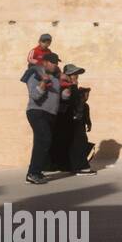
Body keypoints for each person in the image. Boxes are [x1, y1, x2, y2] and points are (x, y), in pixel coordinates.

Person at [25, 52, 68, 184]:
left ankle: (36, 171)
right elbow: (35, 95)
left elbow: (63, 97)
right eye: (53, 62)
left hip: (50, 114)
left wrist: (68, 88)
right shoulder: (35, 74)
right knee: (44, 138)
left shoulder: (55, 78)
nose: (55, 65)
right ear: (44, 62)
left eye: (56, 63)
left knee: (43, 141)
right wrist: (44, 81)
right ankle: (33, 173)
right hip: (37, 112)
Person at [51, 63, 95, 175]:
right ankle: (81, 167)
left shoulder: (70, 85)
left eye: (77, 74)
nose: (76, 76)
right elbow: (66, 101)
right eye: (74, 74)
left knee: (72, 142)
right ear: (68, 75)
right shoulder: (65, 85)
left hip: (71, 118)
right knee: (78, 142)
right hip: (69, 118)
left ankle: (69, 166)